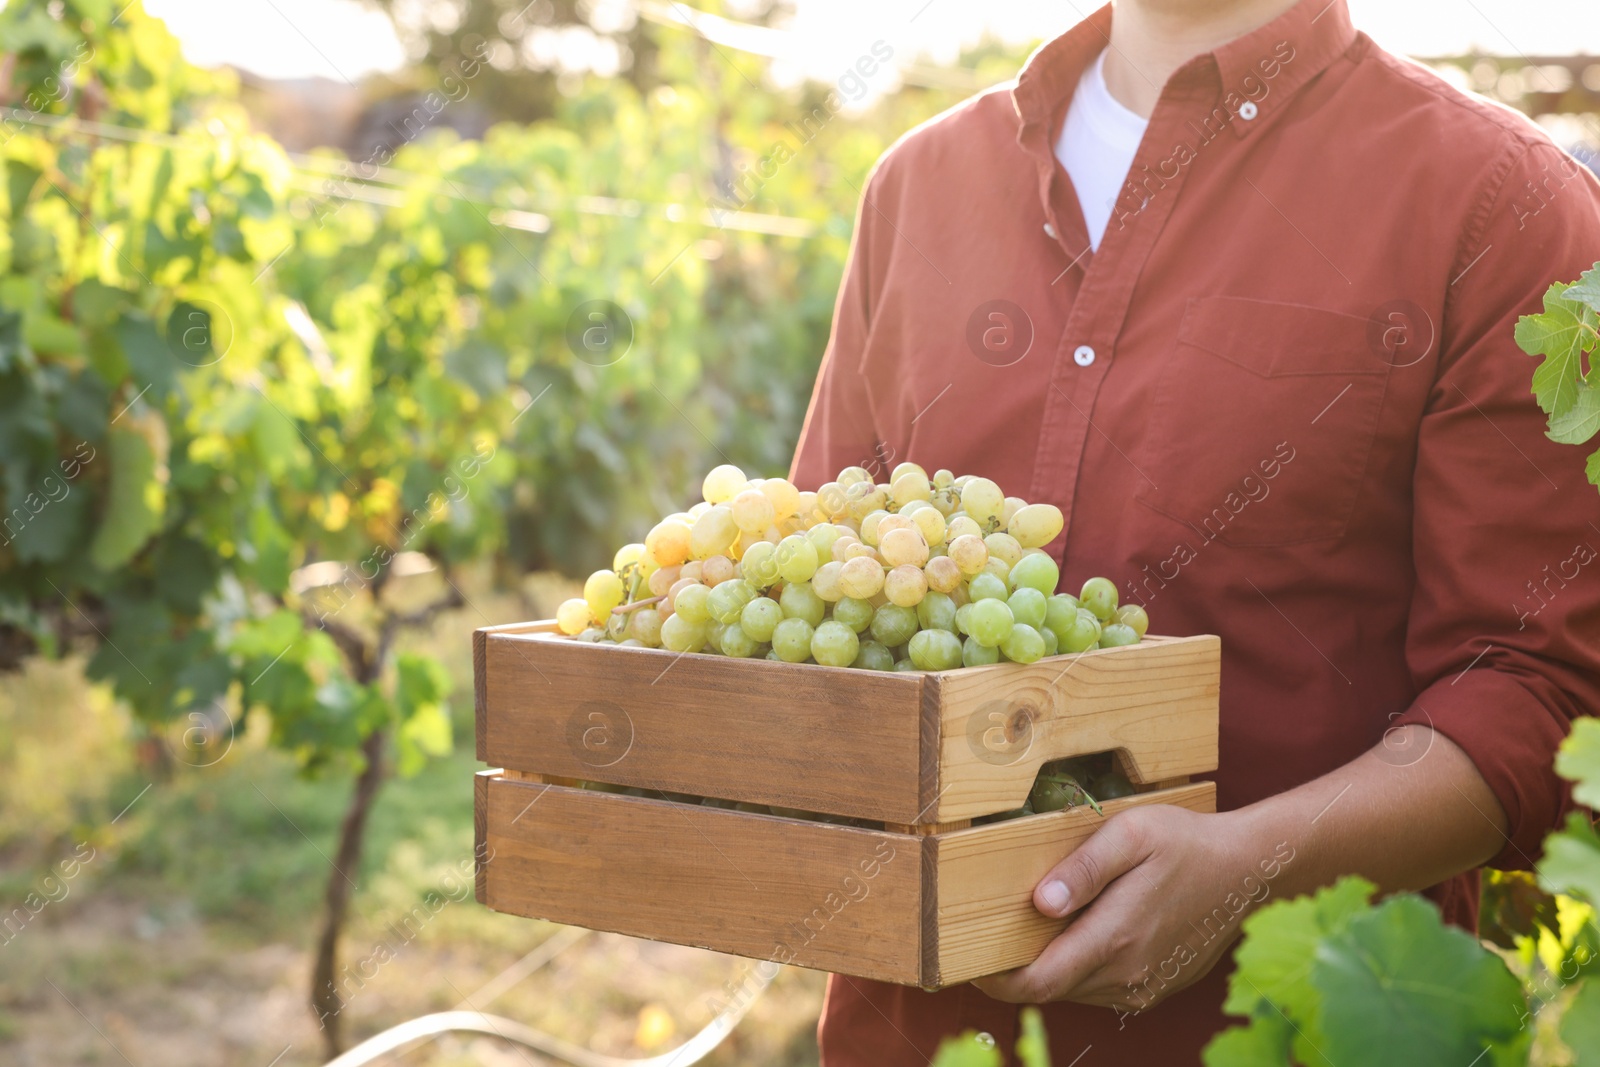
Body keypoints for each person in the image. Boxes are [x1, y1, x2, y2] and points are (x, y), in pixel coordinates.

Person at [788, 0, 1600, 1061]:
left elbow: (1537, 689)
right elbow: (812, 611)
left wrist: (1254, 862)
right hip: (907, 1031)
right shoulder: (918, 184)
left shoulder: (1504, 204)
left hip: (1282, 1031)